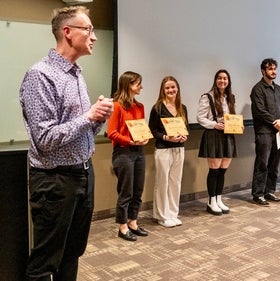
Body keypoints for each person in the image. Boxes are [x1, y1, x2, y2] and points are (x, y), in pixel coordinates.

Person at [19, 6, 114, 280]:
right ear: (67, 32)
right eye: (89, 29)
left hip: (83, 174)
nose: (94, 37)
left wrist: (97, 118)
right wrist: (87, 117)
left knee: (73, 253)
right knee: (46, 261)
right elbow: (45, 139)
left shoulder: (75, 74)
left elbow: (79, 129)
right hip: (55, 180)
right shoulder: (41, 75)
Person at [107, 71, 149, 241]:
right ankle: (122, 226)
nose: (141, 87)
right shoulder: (117, 106)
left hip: (139, 152)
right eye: (138, 84)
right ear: (128, 85)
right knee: (126, 191)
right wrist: (130, 141)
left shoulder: (140, 107)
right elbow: (111, 132)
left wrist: (144, 137)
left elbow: (140, 129)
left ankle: (133, 222)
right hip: (123, 152)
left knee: (138, 189)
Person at [149, 76, 188, 227]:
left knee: (175, 182)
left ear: (177, 88)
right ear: (163, 90)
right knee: (162, 182)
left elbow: (187, 129)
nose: (171, 90)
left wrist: (184, 135)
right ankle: (161, 215)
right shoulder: (157, 108)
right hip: (163, 149)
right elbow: (152, 131)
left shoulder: (182, 108)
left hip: (179, 148)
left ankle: (173, 213)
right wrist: (166, 137)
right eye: (167, 88)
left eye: (173, 87)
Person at [197, 69, 238, 215]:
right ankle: (211, 201)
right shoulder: (207, 97)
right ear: (215, 80)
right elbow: (200, 118)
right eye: (220, 78)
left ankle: (219, 199)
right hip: (213, 135)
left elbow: (231, 117)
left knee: (223, 170)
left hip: (228, 135)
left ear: (228, 81)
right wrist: (214, 124)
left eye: (225, 78)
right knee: (214, 171)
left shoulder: (230, 97)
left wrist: (238, 125)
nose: (222, 81)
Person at [250, 58, 280, 206]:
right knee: (262, 164)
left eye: (274, 69)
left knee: (274, 163)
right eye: (270, 69)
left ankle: (270, 191)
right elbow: (260, 111)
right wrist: (276, 122)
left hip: (278, 132)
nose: (273, 71)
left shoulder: (278, 89)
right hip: (264, 132)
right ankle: (258, 194)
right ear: (263, 71)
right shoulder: (257, 89)